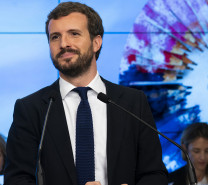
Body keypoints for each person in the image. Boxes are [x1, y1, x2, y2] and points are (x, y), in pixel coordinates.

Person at [4, 2, 167, 185]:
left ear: (96, 42)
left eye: (74, 34)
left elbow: (155, 174)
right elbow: (16, 179)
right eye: (55, 37)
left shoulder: (132, 102)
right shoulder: (30, 109)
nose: (63, 44)